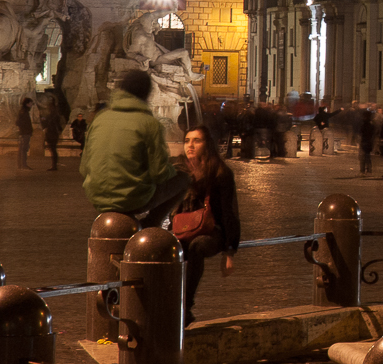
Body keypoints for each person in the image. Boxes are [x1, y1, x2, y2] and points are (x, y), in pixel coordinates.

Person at [82, 70, 190, 227]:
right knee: (184, 179)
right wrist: (173, 170)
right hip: (134, 199)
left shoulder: (100, 119)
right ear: (146, 94)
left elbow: (84, 167)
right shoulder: (149, 123)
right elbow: (159, 173)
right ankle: (152, 224)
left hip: (97, 197)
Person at [173, 126, 240, 329]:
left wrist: (229, 252)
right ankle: (167, 305)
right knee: (161, 250)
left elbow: (229, 212)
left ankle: (185, 308)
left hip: (211, 230)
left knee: (197, 247)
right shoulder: (178, 169)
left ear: (207, 144)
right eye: (187, 140)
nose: (190, 145)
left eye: (197, 141)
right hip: (181, 228)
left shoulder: (219, 172)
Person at [41, 98, 66, 172]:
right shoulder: (55, 115)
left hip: (51, 133)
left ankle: (54, 165)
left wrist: (43, 120)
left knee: (53, 150)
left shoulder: (52, 116)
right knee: (53, 150)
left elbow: (46, 124)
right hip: (53, 133)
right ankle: (54, 165)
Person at [15, 97, 35, 169]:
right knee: (24, 149)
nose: (31, 105)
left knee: (21, 149)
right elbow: (19, 122)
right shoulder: (24, 112)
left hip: (23, 132)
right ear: (27, 104)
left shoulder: (23, 111)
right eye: (31, 104)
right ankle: (23, 165)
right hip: (25, 133)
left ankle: (20, 165)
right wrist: (26, 129)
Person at [358, 108, 376, 175]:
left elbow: (361, 132)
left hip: (364, 141)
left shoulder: (364, 124)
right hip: (369, 142)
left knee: (362, 157)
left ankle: (362, 171)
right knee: (367, 157)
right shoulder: (371, 124)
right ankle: (369, 171)